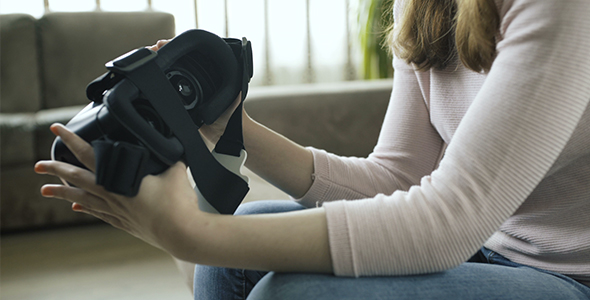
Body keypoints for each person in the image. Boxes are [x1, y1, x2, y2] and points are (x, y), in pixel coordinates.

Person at [34, 0, 590, 298]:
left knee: (288, 293)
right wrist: (235, 126)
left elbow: (448, 221)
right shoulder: (426, 6)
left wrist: (191, 232)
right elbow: (395, 179)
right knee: (227, 266)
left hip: (570, 276)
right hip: (486, 246)